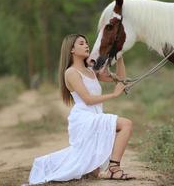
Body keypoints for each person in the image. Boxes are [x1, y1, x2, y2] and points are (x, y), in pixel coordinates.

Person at [28, 34, 134, 184]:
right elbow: (88, 100)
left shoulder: (91, 71)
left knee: (92, 169)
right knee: (126, 124)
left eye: (87, 43)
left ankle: (96, 171)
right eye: (81, 43)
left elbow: (121, 79)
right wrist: (114, 95)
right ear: (71, 49)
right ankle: (114, 169)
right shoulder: (71, 73)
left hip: (95, 116)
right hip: (84, 119)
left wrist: (119, 56)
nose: (87, 45)